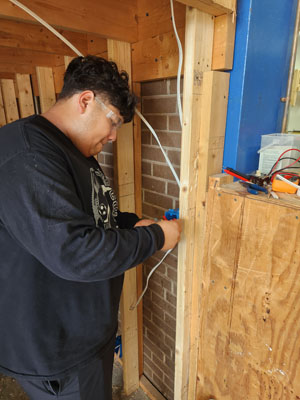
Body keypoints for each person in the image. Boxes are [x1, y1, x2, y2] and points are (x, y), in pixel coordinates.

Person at [0, 55, 181, 399]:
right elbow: (76, 253)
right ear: (85, 101)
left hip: (80, 336)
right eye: (112, 122)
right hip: (58, 354)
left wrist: (131, 223)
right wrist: (155, 237)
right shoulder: (29, 156)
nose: (113, 136)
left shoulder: (70, 151)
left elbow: (90, 215)